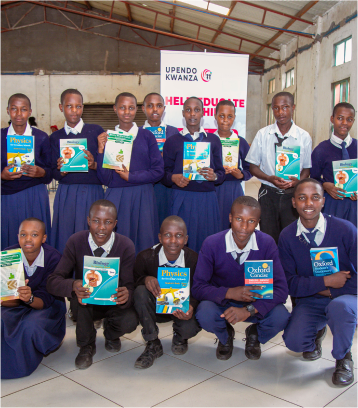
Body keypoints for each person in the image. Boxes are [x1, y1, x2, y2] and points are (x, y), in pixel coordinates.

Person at [279, 178, 358, 386]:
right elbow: (290, 283)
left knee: (340, 308)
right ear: (294, 202)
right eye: (302, 198)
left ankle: (343, 358)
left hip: (346, 297)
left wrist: (332, 291)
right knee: (294, 342)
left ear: (323, 201)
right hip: (312, 299)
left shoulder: (346, 230)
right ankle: (318, 330)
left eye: (315, 197)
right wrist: (327, 282)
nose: (309, 204)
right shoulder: (287, 236)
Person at [192, 196, 290, 361]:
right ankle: (225, 336)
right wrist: (230, 293)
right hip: (223, 303)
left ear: (258, 222)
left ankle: (255, 335)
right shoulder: (212, 243)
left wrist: (248, 310)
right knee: (204, 313)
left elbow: (282, 290)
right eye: (239, 219)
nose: (244, 227)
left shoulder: (267, 243)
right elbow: (198, 287)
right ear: (230, 218)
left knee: (281, 316)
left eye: (251, 221)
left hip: (256, 305)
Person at [47, 200, 138, 369]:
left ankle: (111, 334)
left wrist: (127, 293)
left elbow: (130, 285)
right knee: (79, 300)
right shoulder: (75, 241)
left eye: (108, 222)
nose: (101, 227)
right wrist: (74, 284)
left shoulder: (126, 245)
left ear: (115, 224)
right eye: (96, 221)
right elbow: (53, 281)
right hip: (86, 302)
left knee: (130, 319)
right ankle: (86, 345)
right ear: (88, 221)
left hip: (113, 302)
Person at [97, 92, 164, 254]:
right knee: (118, 244)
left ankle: (142, 278)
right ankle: (119, 278)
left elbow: (158, 171)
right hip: (117, 196)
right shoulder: (108, 137)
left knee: (144, 241)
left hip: (143, 196)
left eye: (131, 108)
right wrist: (100, 150)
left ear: (136, 110)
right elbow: (105, 178)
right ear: (115, 109)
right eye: (122, 107)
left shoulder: (147, 136)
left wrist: (131, 176)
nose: (127, 112)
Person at [0, 218, 66, 379]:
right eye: (23, 234)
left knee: (30, 325)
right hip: (16, 304)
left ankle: (21, 364)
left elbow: (46, 299)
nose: (28, 239)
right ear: (18, 237)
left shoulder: (54, 258)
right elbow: (10, 299)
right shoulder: (9, 255)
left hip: (46, 305)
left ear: (43, 238)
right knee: (2, 320)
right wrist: (8, 298)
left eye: (34, 234)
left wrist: (29, 298)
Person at [133, 215, 201, 368]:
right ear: (160, 237)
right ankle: (152, 343)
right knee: (140, 292)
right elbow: (133, 281)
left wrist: (191, 306)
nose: (172, 240)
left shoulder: (194, 260)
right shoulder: (145, 257)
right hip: (155, 308)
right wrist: (145, 279)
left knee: (190, 326)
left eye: (178, 236)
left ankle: (180, 336)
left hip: (181, 309)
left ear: (185, 239)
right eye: (167, 235)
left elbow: (199, 288)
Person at [246, 91, 312, 243]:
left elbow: (307, 169)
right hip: (268, 194)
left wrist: (297, 182)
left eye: (285, 107)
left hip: (292, 195)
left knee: (292, 237)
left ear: (293, 107)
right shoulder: (263, 134)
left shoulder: (304, 137)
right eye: (276, 108)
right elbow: (253, 167)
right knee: (268, 237)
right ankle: (272, 266)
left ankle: (288, 267)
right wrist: (269, 178)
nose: (280, 112)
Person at [162, 97, 225, 253]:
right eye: (188, 110)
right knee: (179, 242)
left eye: (196, 110)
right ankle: (181, 275)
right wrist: (172, 178)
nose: (192, 114)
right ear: (183, 113)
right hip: (181, 197)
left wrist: (214, 176)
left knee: (207, 242)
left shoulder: (214, 140)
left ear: (203, 113)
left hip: (207, 198)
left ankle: (203, 276)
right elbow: (163, 174)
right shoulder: (172, 141)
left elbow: (221, 173)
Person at [50, 89, 105, 253]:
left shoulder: (96, 131)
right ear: (61, 107)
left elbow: (106, 166)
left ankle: (93, 272)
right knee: (66, 236)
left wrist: (94, 164)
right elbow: (51, 173)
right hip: (66, 193)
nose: (74, 111)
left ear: (83, 107)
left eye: (78, 106)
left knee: (94, 236)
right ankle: (67, 276)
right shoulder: (55, 137)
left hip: (92, 192)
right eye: (69, 106)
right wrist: (60, 171)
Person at [0, 93, 52, 249]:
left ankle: (38, 272)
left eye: (23, 109)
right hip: (7, 197)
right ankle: (9, 273)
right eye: (14, 109)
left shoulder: (41, 137)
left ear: (30, 112)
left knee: (35, 241)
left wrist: (41, 172)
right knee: (9, 239)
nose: (18, 114)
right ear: (8, 110)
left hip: (35, 195)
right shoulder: (1, 137)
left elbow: (51, 172)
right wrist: (1, 175)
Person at [311, 102, 358, 227]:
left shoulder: (357, 147)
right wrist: (325, 185)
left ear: (353, 121)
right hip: (332, 204)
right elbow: (312, 179)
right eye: (340, 118)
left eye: (349, 119)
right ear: (332, 119)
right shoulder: (321, 150)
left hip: (355, 204)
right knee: (334, 236)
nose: (344, 123)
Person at [141, 92, 179, 225]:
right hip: (145, 186)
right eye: (150, 105)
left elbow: (179, 162)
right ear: (143, 108)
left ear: (164, 108)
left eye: (159, 105)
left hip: (167, 188)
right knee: (147, 225)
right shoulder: (137, 133)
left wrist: (166, 158)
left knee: (167, 225)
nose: (155, 109)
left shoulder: (174, 133)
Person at [214, 100, 252, 230]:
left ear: (234, 118)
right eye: (221, 116)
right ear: (215, 116)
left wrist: (241, 175)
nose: (225, 120)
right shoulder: (208, 140)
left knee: (234, 226)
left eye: (229, 116)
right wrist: (215, 172)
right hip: (212, 189)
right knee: (213, 224)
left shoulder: (240, 142)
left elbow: (250, 169)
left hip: (233, 190)